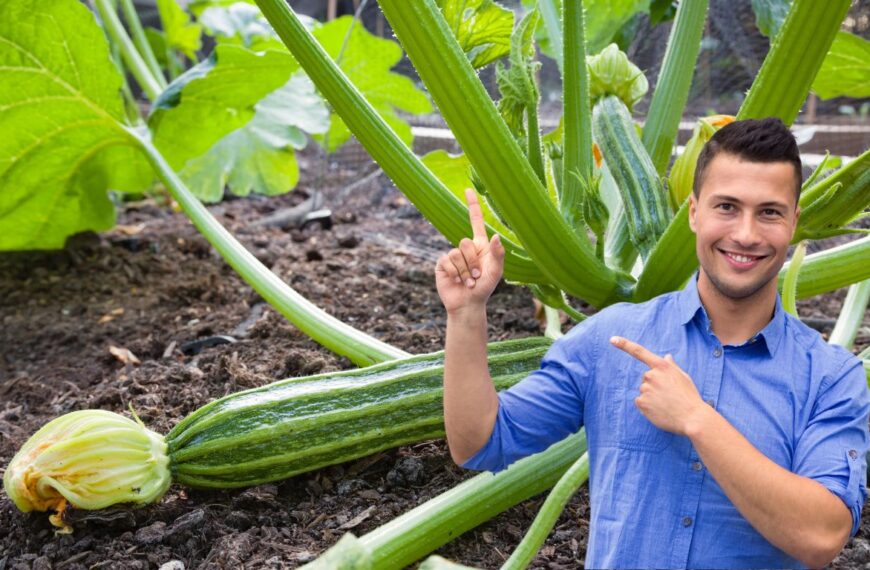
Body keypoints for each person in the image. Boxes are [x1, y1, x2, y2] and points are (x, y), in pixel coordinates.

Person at [434, 118, 870, 569]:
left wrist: (697, 419)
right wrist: (466, 316)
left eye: (769, 212)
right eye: (726, 207)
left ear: (794, 222)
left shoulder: (831, 377)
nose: (745, 233)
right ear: (694, 212)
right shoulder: (611, 339)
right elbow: (480, 442)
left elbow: (821, 536)